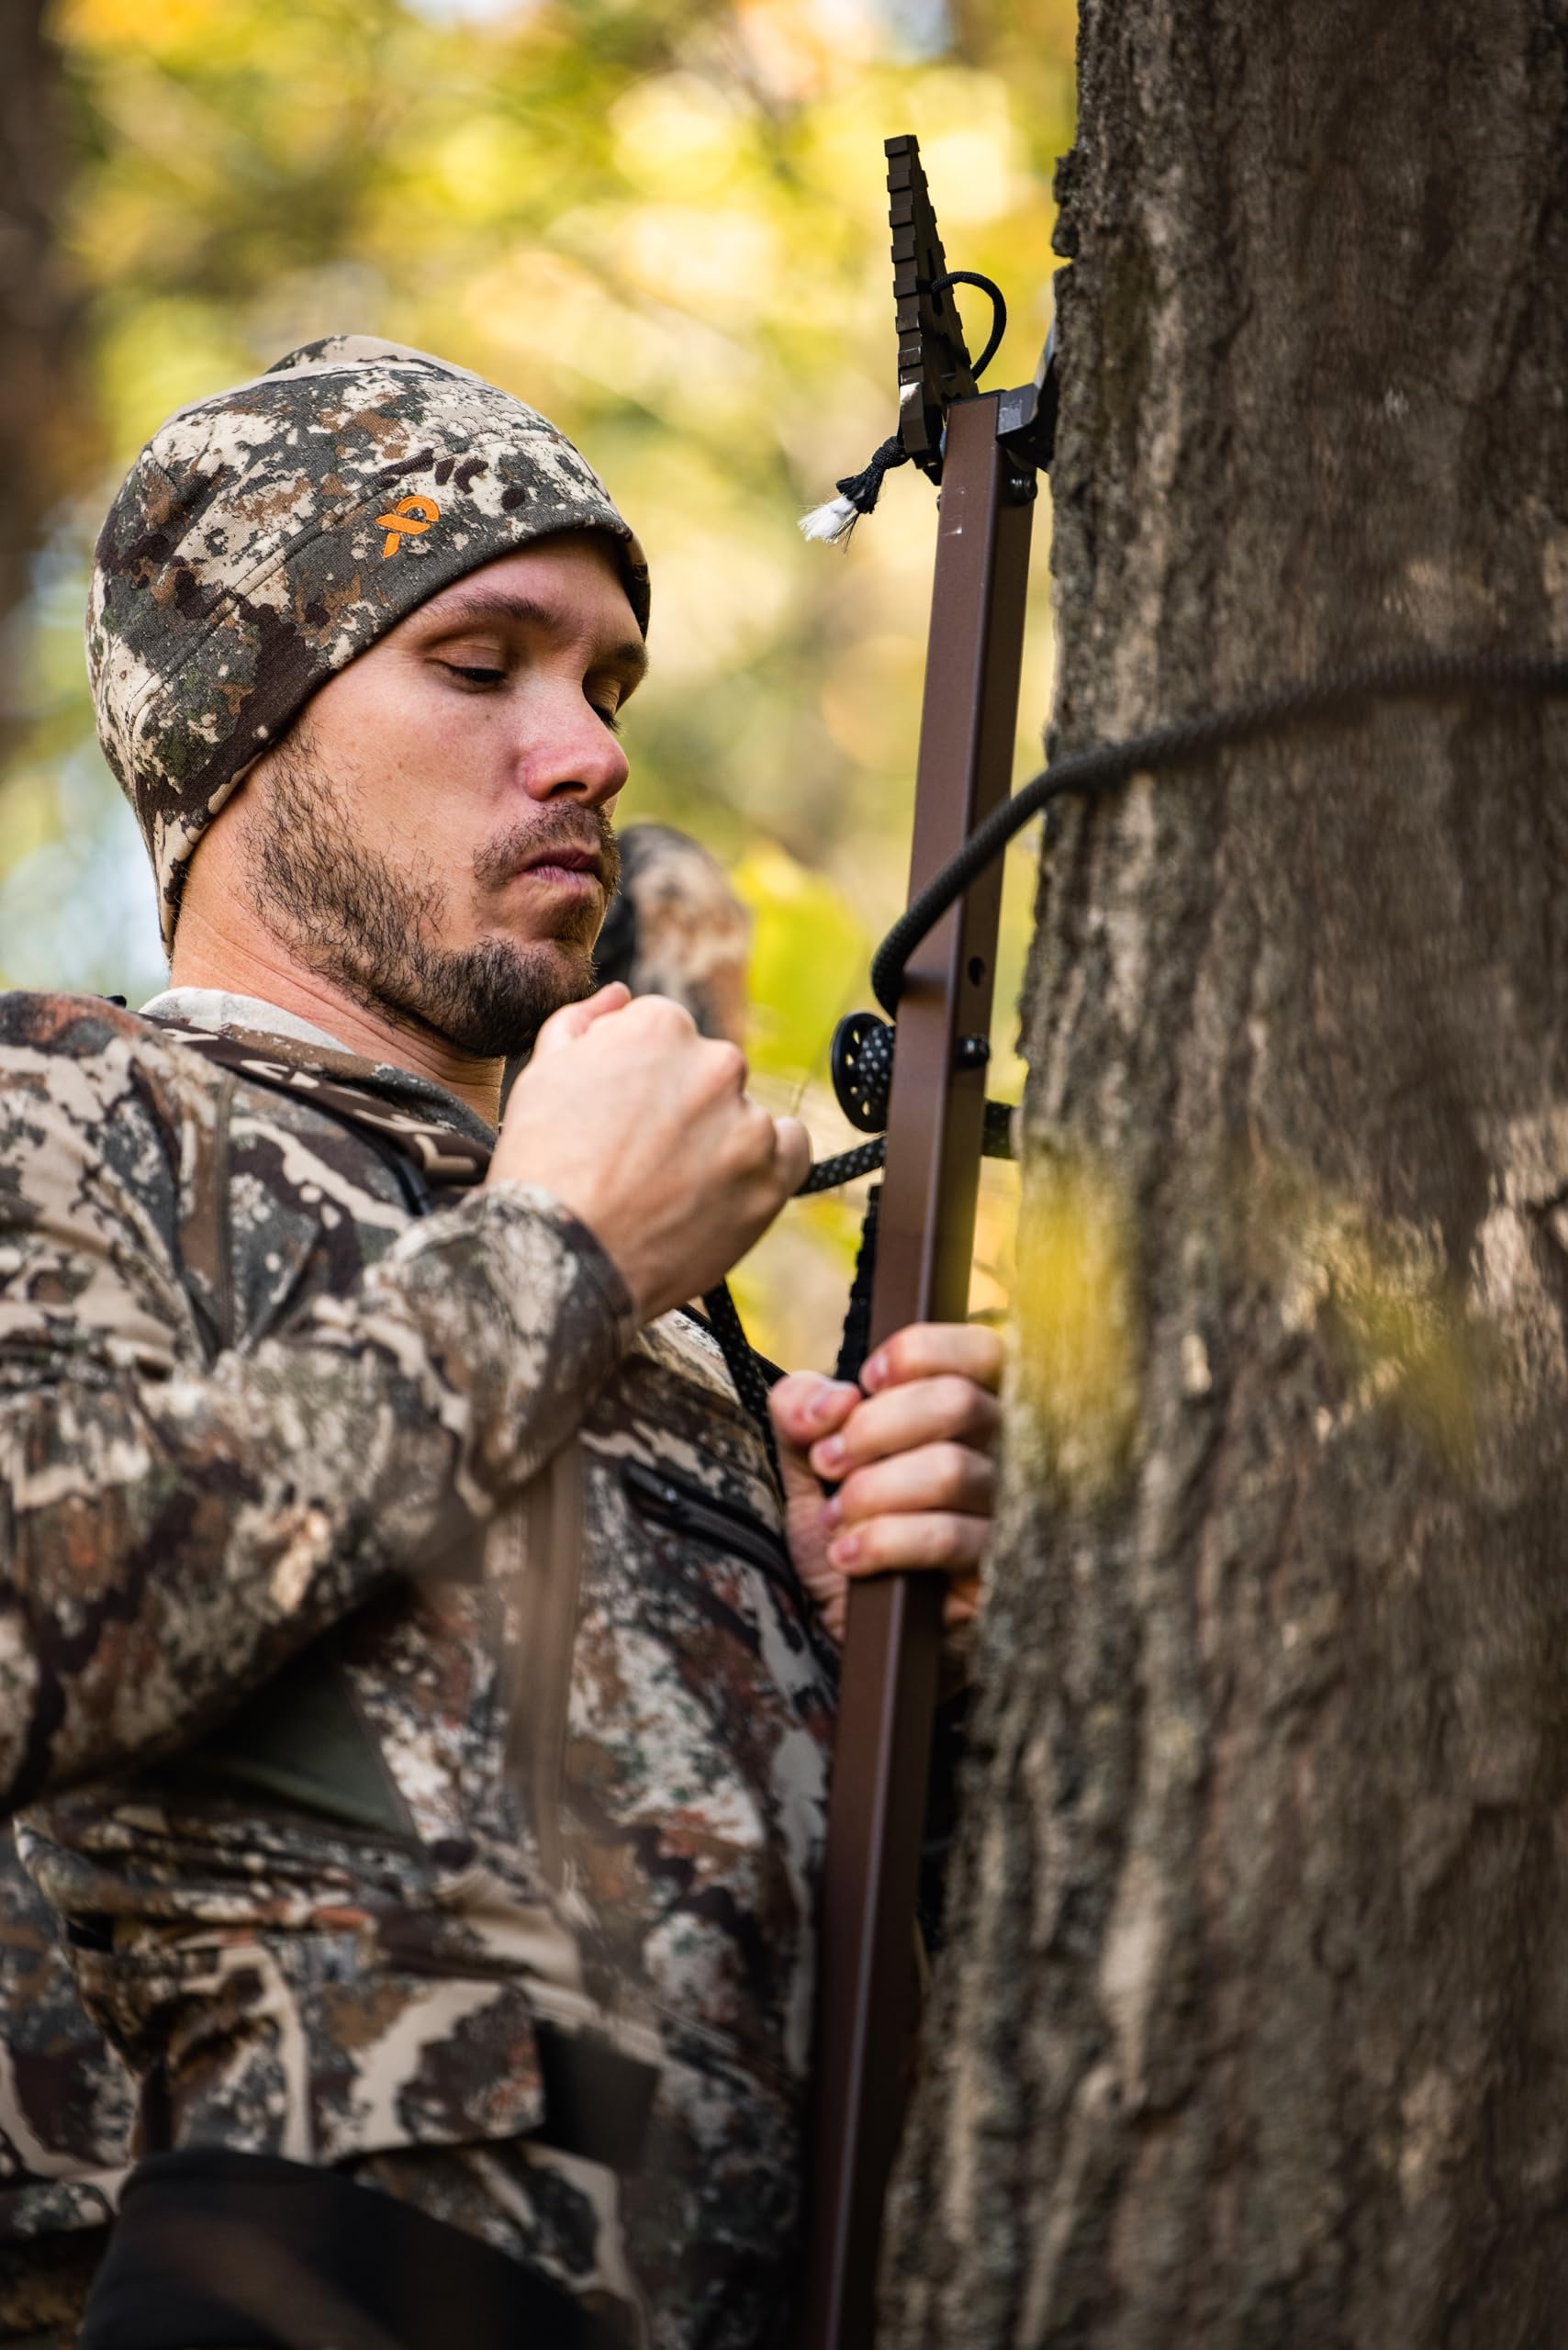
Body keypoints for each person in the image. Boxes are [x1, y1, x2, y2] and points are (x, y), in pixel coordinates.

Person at [0, 337, 1000, 2350]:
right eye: (481, 664)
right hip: (315, 2278)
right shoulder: (70, 1107)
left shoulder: (678, 1314)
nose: (590, 753)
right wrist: (557, 1258)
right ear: (241, 723)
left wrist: (918, 1648)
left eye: (607, 687)